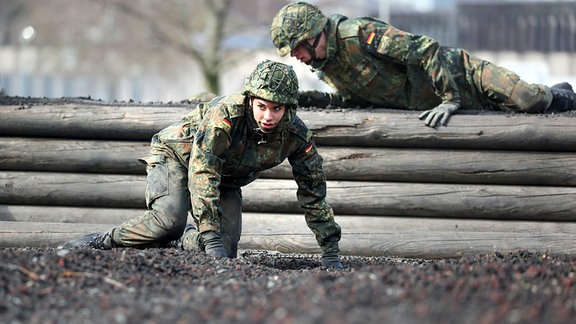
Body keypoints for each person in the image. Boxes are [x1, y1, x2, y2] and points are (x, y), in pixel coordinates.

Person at [61, 60, 343, 270]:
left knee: (227, 250)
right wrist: (209, 233)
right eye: (261, 106)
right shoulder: (226, 114)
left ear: (289, 108)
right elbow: (202, 169)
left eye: (277, 109)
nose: (268, 115)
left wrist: (330, 250)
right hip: (178, 157)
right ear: (250, 101)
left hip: (226, 178)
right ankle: (102, 240)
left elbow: (313, 191)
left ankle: (182, 239)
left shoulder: (296, 135)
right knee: (169, 222)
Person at [270, 2, 576, 128]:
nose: (297, 56)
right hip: (431, 102)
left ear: (314, 36)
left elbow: (427, 50)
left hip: (464, 75)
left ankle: (560, 95)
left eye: (297, 48)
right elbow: (357, 99)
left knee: (530, 100)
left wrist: (450, 99)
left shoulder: (361, 35)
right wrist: (320, 100)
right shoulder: (327, 66)